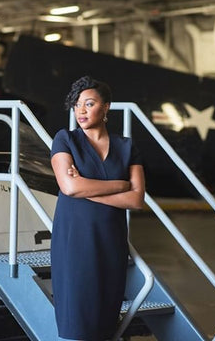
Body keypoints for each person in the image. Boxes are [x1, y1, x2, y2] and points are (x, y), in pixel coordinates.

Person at [50, 75, 145, 340]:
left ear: (106, 108)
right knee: (76, 323)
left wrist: (86, 188)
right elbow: (69, 187)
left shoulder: (127, 146)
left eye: (89, 104)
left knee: (105, 324)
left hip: (111, 241)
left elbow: (136, 200)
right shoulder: (65, 139)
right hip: (75, 241)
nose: (81, 110)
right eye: (77, 105)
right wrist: (119, 185)